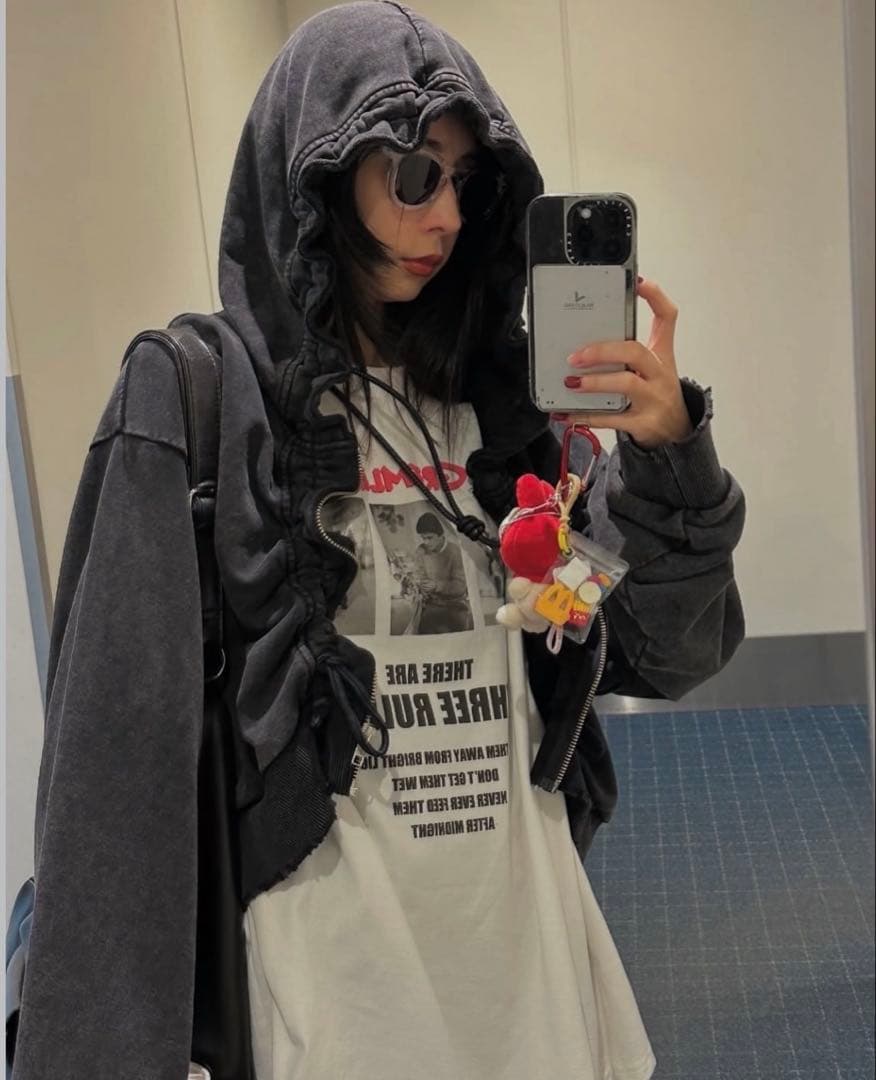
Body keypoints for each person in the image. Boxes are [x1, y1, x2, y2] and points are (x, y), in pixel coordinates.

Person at [12, 3, 745, 1079]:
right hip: (337, 996)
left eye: (466, 183)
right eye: (412, 174)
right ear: (315, 180)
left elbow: (668, 654)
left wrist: (671, 460)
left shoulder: (509, 412)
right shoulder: (197, 397)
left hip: (528, 968)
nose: (444, 214)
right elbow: (114, 781)